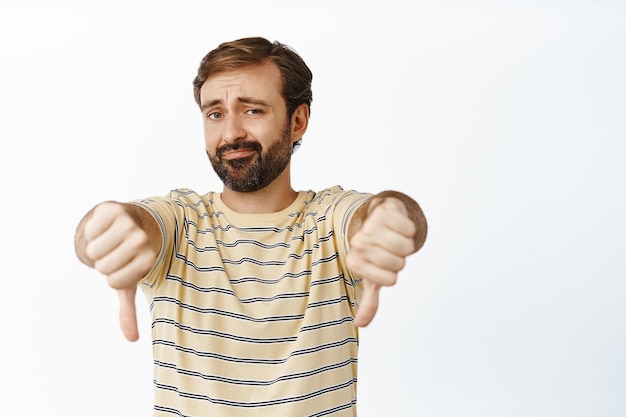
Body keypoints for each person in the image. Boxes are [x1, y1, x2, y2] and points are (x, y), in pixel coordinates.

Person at [74, 36, 427, 417]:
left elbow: (369, 217)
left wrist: (392, 217)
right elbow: (136, 224)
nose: (230, 133)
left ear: (298, 121)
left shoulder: (328, 219)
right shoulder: (180, 221)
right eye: (215, 114)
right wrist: (104, 227)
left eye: (253, 111)